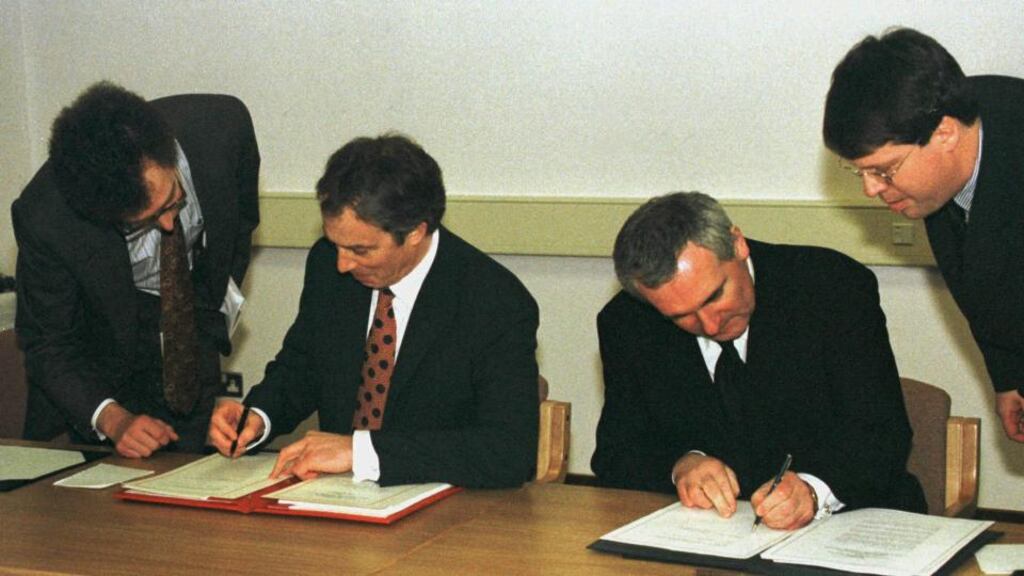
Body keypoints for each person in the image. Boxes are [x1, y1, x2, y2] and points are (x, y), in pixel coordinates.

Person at [208, 134, 539, 488]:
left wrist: (360, 452)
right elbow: (304, 366)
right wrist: (259, 417)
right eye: (335, 244)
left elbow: (508, 452)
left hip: (447, 513)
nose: (342, 263)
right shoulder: (327, 264)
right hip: (332, 499)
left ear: (415, 231)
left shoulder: (493, 301)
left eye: (360, 250)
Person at [592, 192, 925, 531]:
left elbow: (882, 435)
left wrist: (812, 491)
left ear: (737, 244)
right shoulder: (627, 323)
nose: (709, 325)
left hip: (852, 523)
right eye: (681, 316)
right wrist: (682, 465)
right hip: (711, 538)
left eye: (714, 296)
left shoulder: (830, 287)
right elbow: (616, 454)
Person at [12, 82, 260, 457]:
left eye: (172, 200)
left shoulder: (223, 128)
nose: (167, 226)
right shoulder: (47, 216)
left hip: (190, 318)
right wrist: (113, 419)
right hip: (101, 352)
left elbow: (239, 227)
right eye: (142, 222)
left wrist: (205, 317)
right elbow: (48, 342)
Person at [823, 27, 1024, 442]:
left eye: (884, 170)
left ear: (945, 133)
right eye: (859, 171)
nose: (871, 189)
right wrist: (1010, 377)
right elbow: (984, 284)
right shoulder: (948, 136)